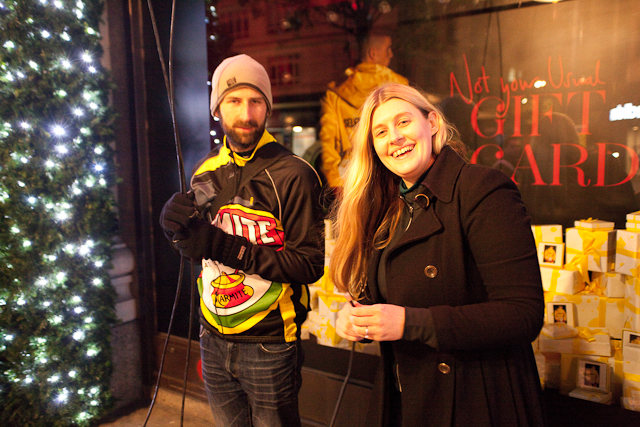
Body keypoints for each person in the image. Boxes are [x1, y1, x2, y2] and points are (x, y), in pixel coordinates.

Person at [330, 83, 547, 426]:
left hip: (476, 402)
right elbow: (389, 295)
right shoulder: (388, 207)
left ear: (431, 123)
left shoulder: (483, 189)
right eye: (381, 132)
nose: (395, 138)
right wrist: (355, 316)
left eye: (403, 122)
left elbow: (523, 314)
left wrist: (409, 323)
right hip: (408, 399)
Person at [159, 54, 324, 427]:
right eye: (234, 101)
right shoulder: (206, 172)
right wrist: (174, 229)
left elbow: (309, 265)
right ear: (217, 109)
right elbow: (196, 249)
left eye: (255, 101)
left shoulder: (295, 175)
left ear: (268, 108)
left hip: (270, 344)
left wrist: (224, 246)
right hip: (211, 337)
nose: (246, 113)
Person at [318, 31, 408, 193]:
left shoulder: (336, 93)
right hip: (392, 173)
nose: (391, 54)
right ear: (373, 53)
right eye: (388, 49)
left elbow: (328, 142)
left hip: (352, 177)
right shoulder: (399, 86)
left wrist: (335, 181)